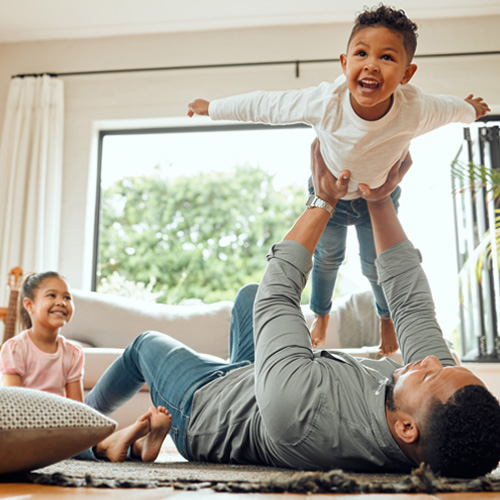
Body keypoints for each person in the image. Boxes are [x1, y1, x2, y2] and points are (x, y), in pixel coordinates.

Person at [81, 142, 500, 477]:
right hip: (261, 382)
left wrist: (323, 200)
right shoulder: (433, 405)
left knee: (143, 346)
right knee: (245, 296)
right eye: (440, 365)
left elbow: (277, 292)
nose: (428, 361)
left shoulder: (304, 416)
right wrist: (380, 199)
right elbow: (410, 302)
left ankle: (83, 436)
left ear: (406, 429)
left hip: (204, 408)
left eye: (429, 372)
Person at [187, 4, 490, 356]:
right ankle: (321, 313)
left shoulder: (415, 109)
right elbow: (265, 105)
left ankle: (386, 319)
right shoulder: (324, 102)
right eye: (361, 53)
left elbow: (450, 109)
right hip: (328, 195)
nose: (372, 64)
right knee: (328, 258)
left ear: (407, 74)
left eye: (387, 57)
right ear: (345, 63)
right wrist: (213, 107)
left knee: (375, 265)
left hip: (378, 197)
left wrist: (470, 110)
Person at [0, 271, 172, 463]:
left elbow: (78, 408)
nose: (61, 302)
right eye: (52, 295)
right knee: (55, 446)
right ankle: (114, 444)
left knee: (74, 438)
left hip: (62, 424)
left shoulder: (73, 352)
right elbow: (13, 405)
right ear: (29, 305)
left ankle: (137, 446)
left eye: (67, 297)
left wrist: (79, 431)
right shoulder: (15, 348)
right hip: (27, 426)